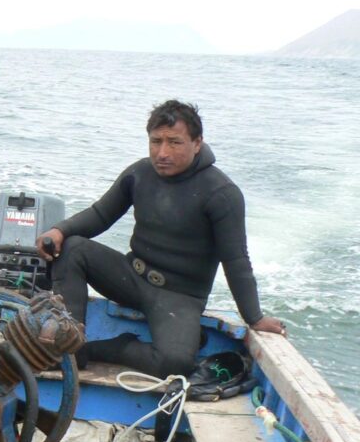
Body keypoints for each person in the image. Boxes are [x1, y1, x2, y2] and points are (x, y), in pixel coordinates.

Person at [36, 100, 285, 378]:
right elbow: (100, 214)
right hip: (131, 277)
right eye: (155, 142)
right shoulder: (139, 173)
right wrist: (59, 230)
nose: (162, 153)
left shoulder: (222, 194)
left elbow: (236, 260)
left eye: (174, 142)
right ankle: (68, 346)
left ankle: (111, 349)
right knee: (71, 248)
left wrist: (254, 317)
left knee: (174, 363)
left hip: (179, 297)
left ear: (197, 142)